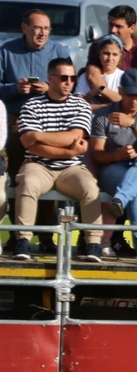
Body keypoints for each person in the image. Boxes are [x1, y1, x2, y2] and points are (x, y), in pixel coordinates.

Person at [11, 58, 102, 261]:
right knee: (28, 182)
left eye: (72, 78)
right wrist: (68, 150)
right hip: (38, 165)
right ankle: (23, 240)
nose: (69, 82)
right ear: (50, 79)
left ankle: (93, 243)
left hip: (71, 168)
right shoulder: (31, 105)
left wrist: (38, 135)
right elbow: (31, 146)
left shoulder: (81, 105)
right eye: (63, 77)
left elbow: (74, 136)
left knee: (90, 187)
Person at [88, 69, 137, 265]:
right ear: (120, 91)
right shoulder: (104, 115)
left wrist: (133, 124)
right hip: (115, 169)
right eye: (130, 95)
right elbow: (97, 154)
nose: (135, 100)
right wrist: (117, 155)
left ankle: (120, 200)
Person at [0, 9, 70, 188]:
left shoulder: (59, 51)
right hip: (16, 120)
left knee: (47, 172)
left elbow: (71, 85)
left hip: (50, 121)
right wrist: (14, 88)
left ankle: (47, 216)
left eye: (47, 28)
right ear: (24, 27)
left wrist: (50, 88)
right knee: (17, 174)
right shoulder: (6, 51)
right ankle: (18, 214)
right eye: (38, 28)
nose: (43, 33)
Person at [83, 5, 137, 105]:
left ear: (132, 28)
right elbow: (93, 76)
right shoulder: (99, 45)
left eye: (118, 26)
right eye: (111, 25)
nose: (113, 30)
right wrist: (113, 101)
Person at [75, 35, 123, 111]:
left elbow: (124, 103)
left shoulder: (124, 77)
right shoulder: (84, 77)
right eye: (106, 53)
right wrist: (107, 106)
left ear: (120, 56)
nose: (110, 59)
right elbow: (79, 106)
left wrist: (101, 89)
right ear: (99, 53)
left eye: (115, 54)